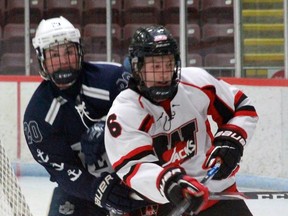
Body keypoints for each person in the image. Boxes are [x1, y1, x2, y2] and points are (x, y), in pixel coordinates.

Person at [104, 25, 259, 216]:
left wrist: (231, 142)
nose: (163, 74)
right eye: (155, 67)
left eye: (168, 64)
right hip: (162, 202)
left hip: (213, 191)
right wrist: (171, 184)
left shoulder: (196, 81)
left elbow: (242, 106)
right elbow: (133, 167)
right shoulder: (125, 112)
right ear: (138, 68)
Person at [23, 16, 146, 216]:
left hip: (133, 175)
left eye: (68, 52)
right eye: (54, 55)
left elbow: (148, 115)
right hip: (83, 190)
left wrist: (109, 126)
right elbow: (62, 170)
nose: (63, 61)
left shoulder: (112, 79)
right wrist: (98, 190)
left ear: (79, 51)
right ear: (42, 59)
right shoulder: (37, 117)